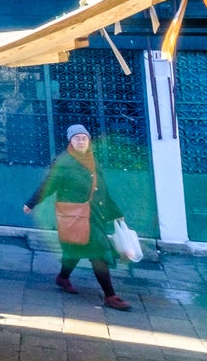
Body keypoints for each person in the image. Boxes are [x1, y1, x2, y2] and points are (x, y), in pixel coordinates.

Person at [26, 125, 131, 311]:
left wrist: (116, 212)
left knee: (74, 250)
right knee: (98, 253)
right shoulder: (63, 162)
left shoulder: (93, 160)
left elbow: (102, 189)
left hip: (94, 215)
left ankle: (62, 277)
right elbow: (48, 186)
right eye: (77, 138)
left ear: (89, 140)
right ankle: (110, 296)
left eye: (84, 138)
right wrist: (31, 203)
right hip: (75, 216)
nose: (81, 141)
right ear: (70, 141)